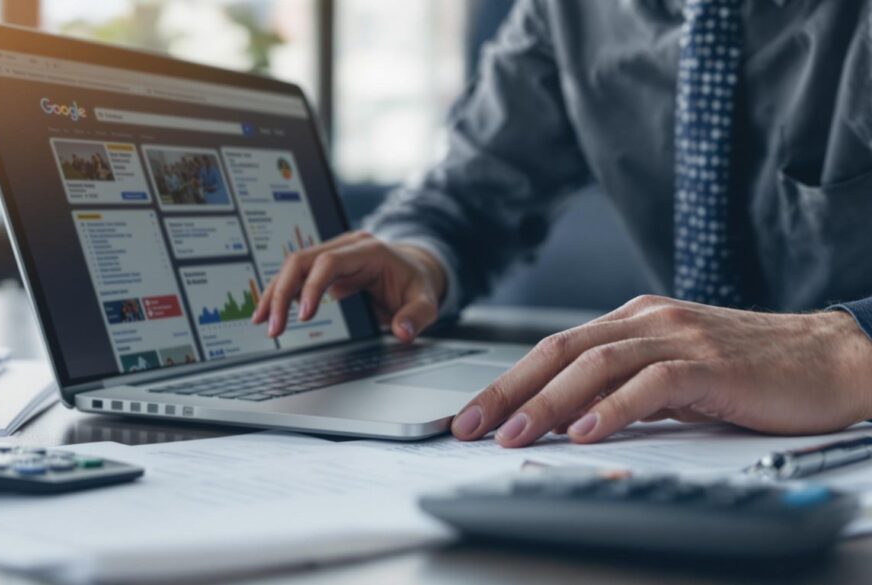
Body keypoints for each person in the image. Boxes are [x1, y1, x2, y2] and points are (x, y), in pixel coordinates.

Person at [252, 0, 872, 448]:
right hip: (686, 448)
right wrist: (418, 258)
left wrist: (848, 348)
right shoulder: (564, 14)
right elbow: (469, 196)